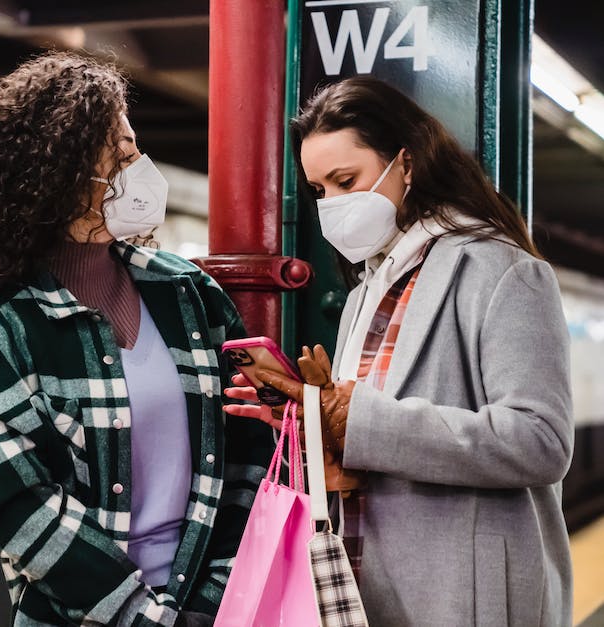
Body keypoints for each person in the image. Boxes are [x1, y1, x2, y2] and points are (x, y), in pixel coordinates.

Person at [0, 51, 273, 627]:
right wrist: (144, 619)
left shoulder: (187, 295)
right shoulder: (2, 334)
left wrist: (211, 601)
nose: (138, 166)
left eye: (134, 147)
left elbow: (251, 451)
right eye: (118, 155)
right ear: (56, 177)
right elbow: (24, 512)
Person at [224, 76, 574, 626]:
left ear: (406, 164)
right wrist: (313, 430)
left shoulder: (503, 271)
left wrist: (350, 418)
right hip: (366, 582)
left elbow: (540, 441)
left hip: (460, 593)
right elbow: (372, 439)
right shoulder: (367, 287)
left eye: (346, 180)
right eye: (320, 191)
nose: (334, 206)